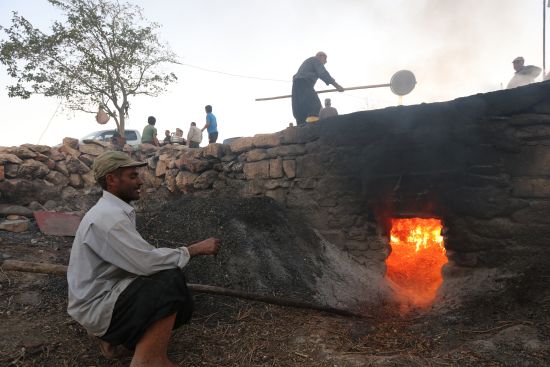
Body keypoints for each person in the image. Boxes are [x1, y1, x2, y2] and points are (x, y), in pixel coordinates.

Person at [67, 151, 221, 366]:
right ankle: (149, 360)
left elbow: (137, 261)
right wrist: (193, 250)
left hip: (103, 296)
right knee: (169, 281)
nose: (140, 182)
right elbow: (147, 262)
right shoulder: (108, 218)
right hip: (97, 306)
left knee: (176, 295)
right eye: (132, 176)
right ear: (111, 179)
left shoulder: (111, 210)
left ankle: (115, 340)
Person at [291, 51, 344, 126]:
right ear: (320, 56)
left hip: (296, 86)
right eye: (325, 59)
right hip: (304, 84)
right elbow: (323, 74)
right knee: (315, 107)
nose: (325, 62)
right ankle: (314, 127)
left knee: (300, 111)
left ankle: (301, 129)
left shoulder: (308, 62)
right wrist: (337, 86)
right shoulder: (315, 60)